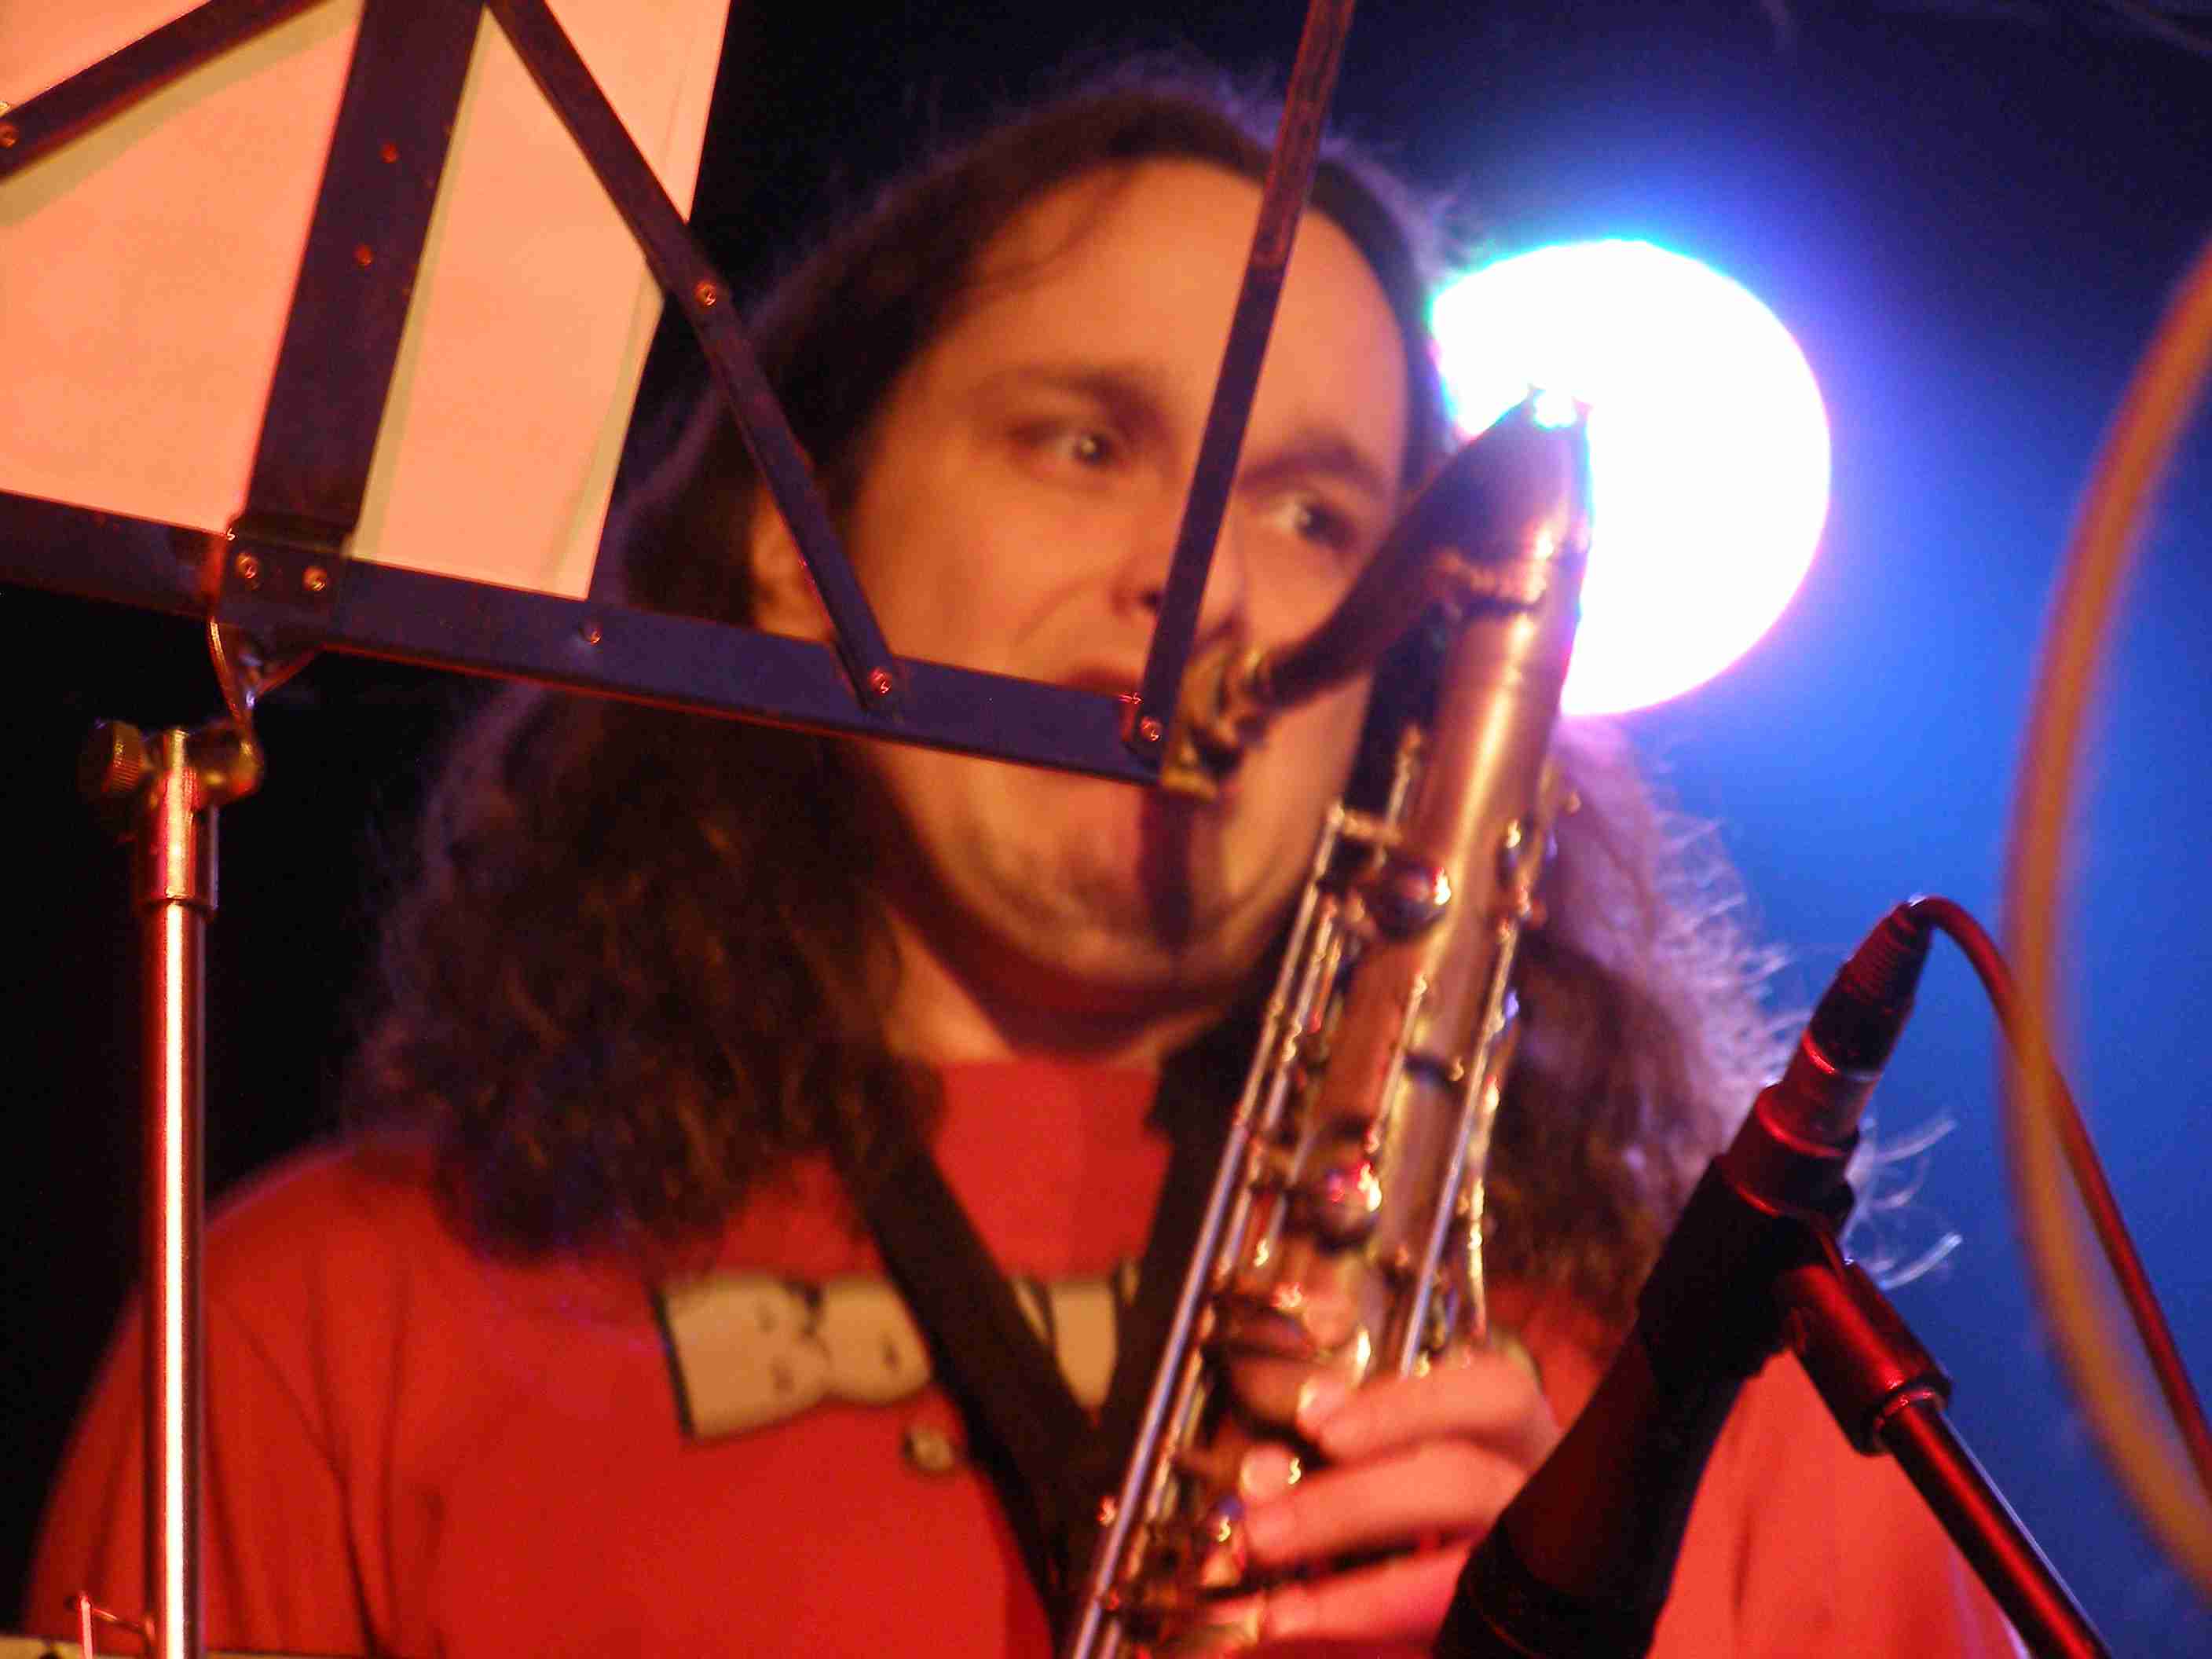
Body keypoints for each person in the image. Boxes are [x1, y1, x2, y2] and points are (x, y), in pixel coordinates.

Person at [26, 69, 2019, 1657]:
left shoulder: (1709, 1406)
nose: (1200, 580)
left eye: (1318, 517)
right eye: (1084, 441)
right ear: (793, 547)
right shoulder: (323, 1321)